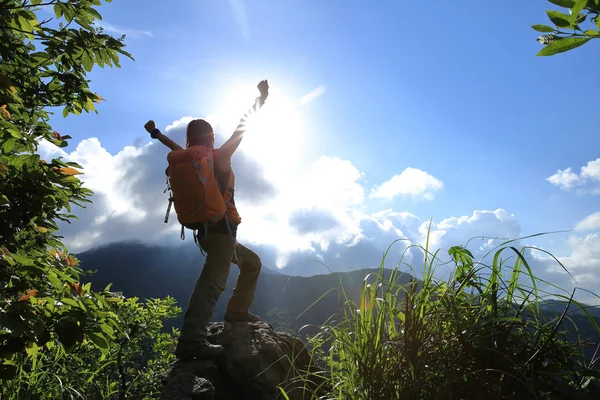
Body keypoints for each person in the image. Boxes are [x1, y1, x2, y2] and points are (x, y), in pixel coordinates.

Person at [144, 80, 269, 359]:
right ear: (211, 138)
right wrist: (262, 99)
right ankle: (191, 340)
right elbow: (243, 126)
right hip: (222, 232)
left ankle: (237, 311)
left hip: (207, 232)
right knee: (211, 283)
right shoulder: (221, 155)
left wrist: (155, 133)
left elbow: (170, 144)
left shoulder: (190, 157)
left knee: (252, 263)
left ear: (191, 141)